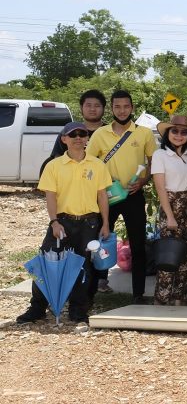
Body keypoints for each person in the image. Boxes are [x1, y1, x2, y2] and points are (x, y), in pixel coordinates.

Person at [17, 122, 112, 324]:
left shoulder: (97, 165)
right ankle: (37, 308)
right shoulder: (53, 165)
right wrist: (54, 222)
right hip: (62, 223)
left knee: (83, 267)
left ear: (87, 138)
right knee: (46, 263)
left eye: (82, 134)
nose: (78, 138)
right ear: (64, 139)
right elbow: (50, 197)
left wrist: (105, 224)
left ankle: (78, 310)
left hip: (89, 224)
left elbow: (102, 196)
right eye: (73, 134)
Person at [86, 90, 155, 303]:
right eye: (117, 106)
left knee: (137, 244)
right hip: (106, 196)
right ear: (112, 109)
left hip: (134, 195)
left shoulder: (144, 133)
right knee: (99, 240)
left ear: (132, 108)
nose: (122, 110)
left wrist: (143, 181)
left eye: (126, 106)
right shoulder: (100, 134)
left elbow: (154, 163)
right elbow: (89, 163)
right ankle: (93, 288)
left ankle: (138, 294)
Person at [152, 115, 187, 306]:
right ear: (167, 133)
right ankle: (161, 300)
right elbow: (160, 188)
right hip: (170, 206)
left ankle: (179, 299)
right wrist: (170, 216)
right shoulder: (160, 155)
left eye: (183, 132)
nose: (179, 135)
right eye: (175, 131)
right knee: (168, 257)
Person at [40, 89, 107, 175]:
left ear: (103, 108)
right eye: (88, 105)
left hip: (103, 182)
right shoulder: (68, 133)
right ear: (81, 107)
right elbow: (57, 159)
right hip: (73, 182)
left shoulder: (111, 132)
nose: (92, 109)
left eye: (97, 106)